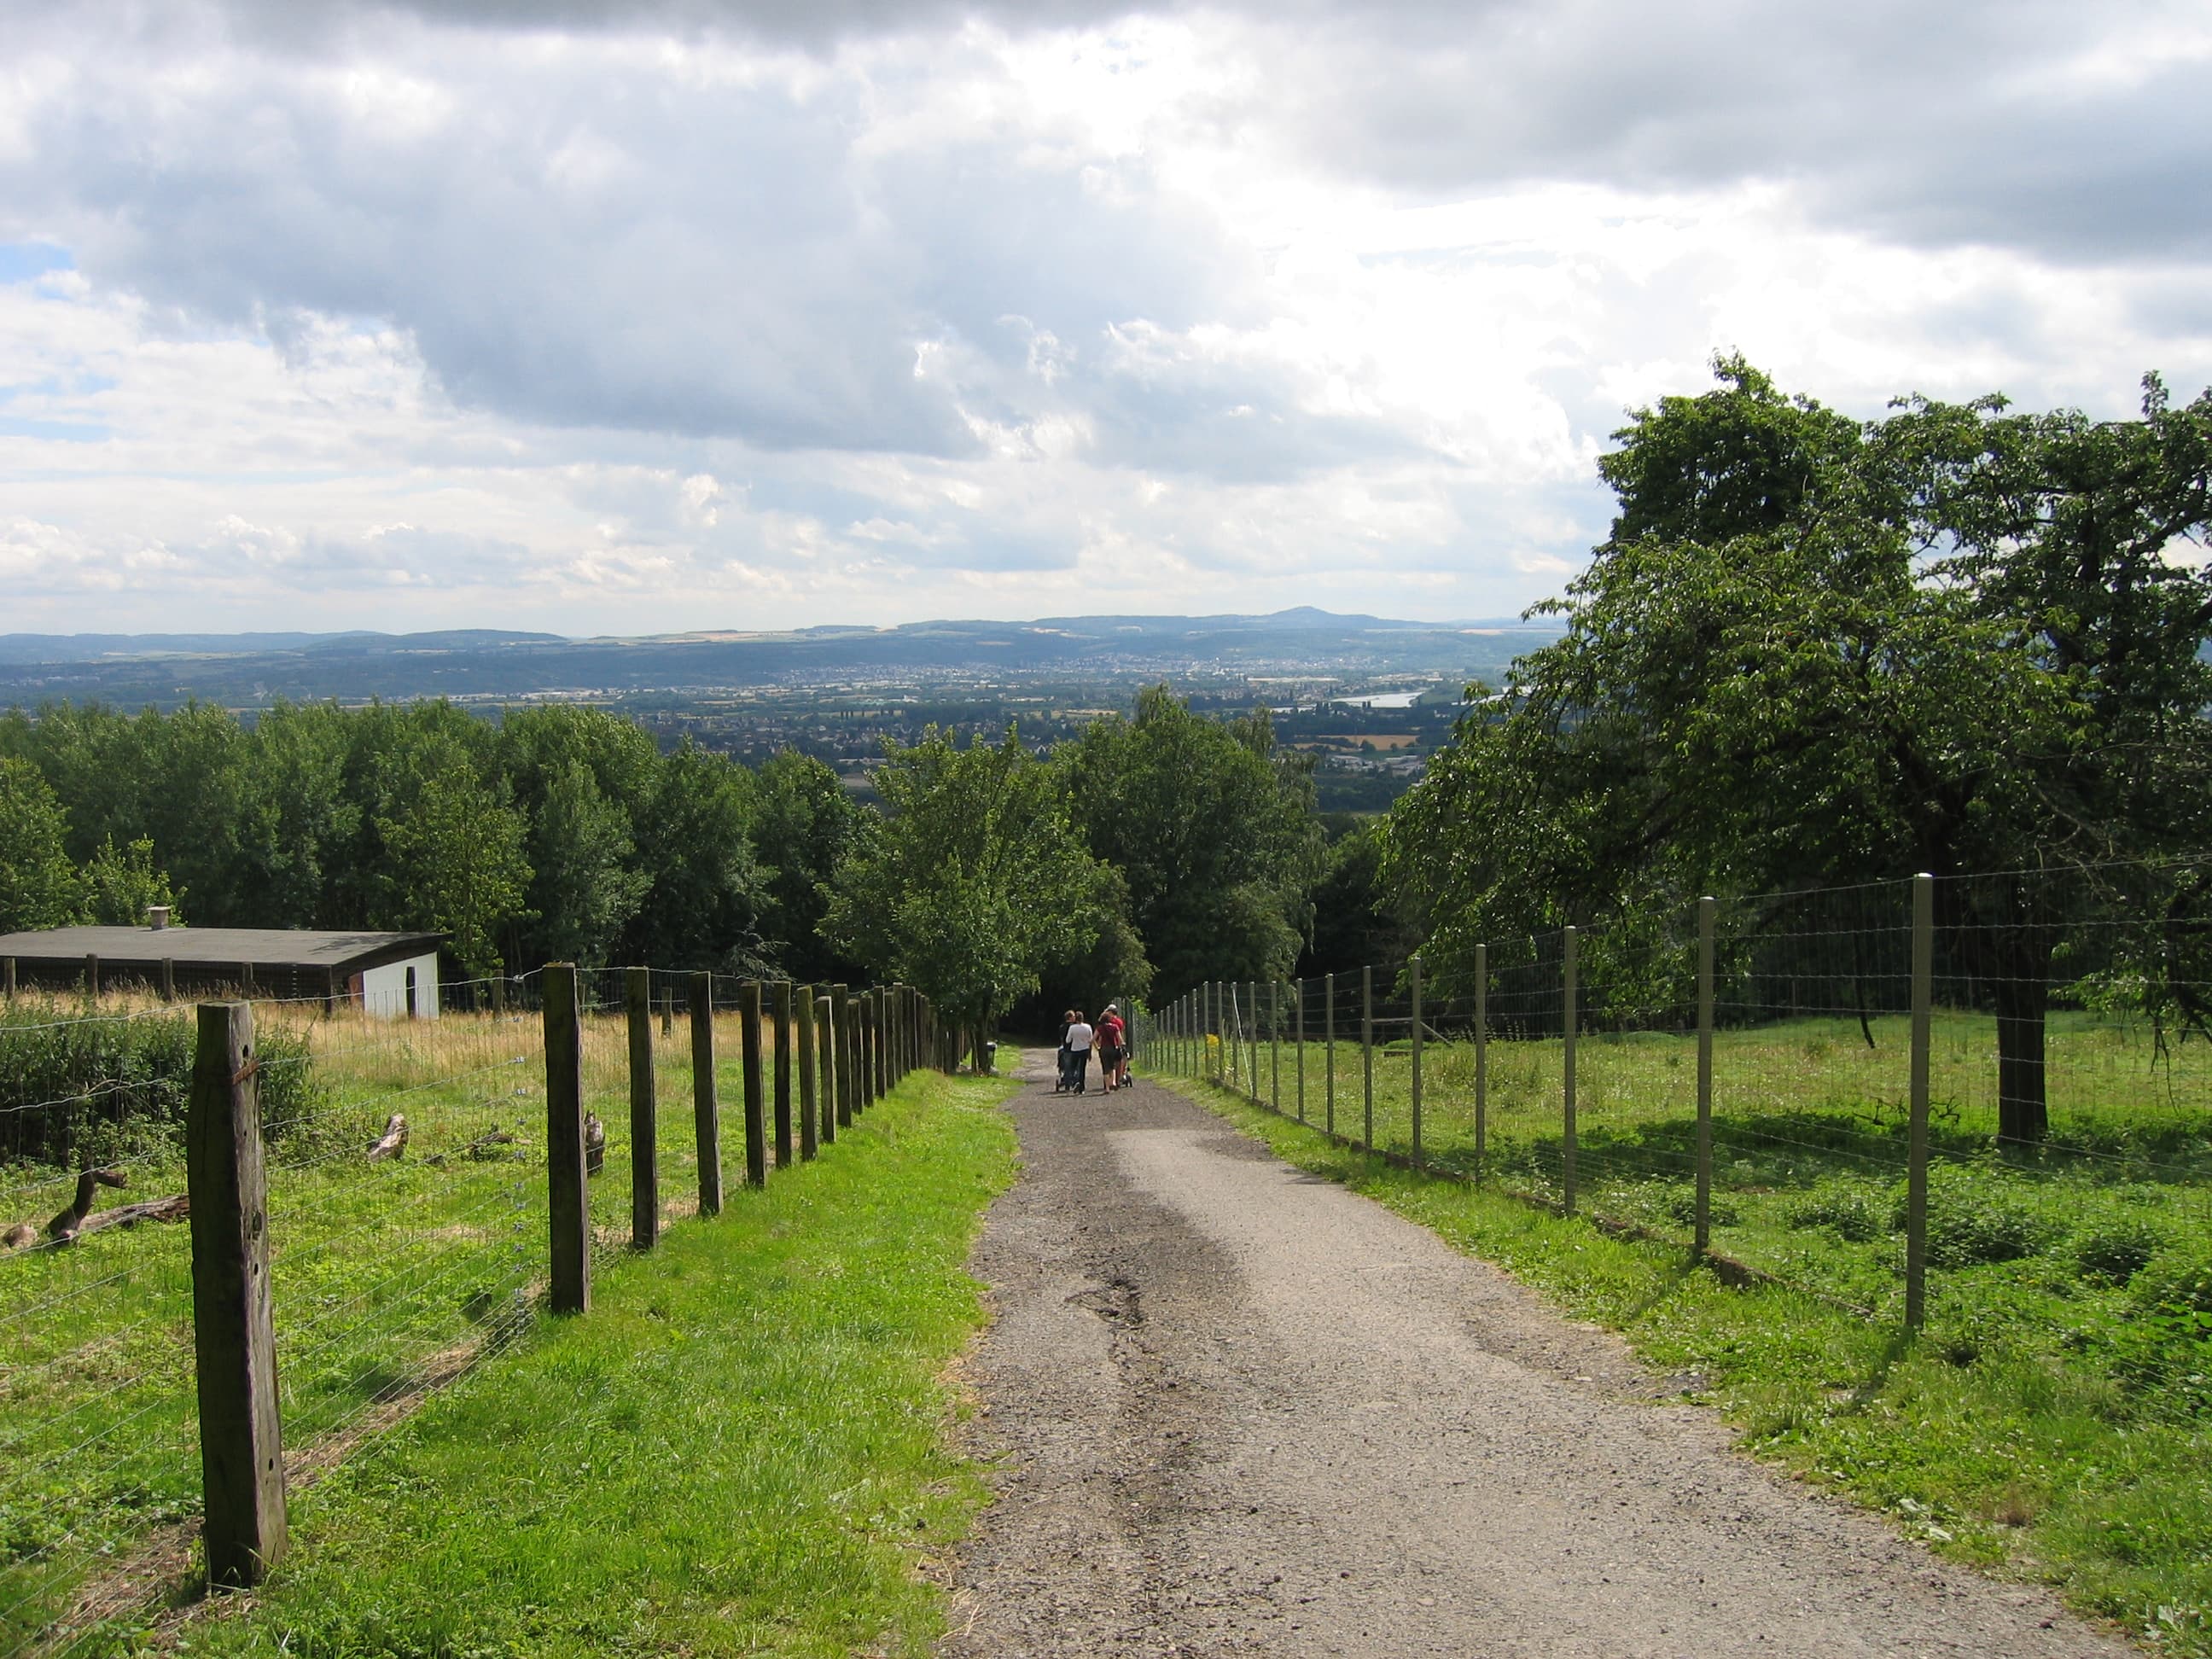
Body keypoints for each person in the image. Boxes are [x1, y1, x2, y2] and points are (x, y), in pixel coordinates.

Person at [1096, 1002, 1127, 1091]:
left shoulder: (1108, 1022)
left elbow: (1100, 1029)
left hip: (1108, 1046)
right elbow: (1120, 1033)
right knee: (1116, 1065)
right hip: (1116, 1046)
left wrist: (1097, 1044)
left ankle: (1107, 1085)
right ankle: (1116, 1082)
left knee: (1107, 1066)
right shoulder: (1120, 1022)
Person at [1064, 1010, 1095, 1093]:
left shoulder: (1072, 1028)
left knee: (1072, 1068)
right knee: (1082, 1069)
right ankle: (1082, 1088)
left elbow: (1068, 1040)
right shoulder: (1088, 1027)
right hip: (1085, 1049)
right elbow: (1091, 1040)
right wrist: (1090, 1052)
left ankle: (1075, 1082)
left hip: (1075, 1049)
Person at [1055, 1009, 1078, 1094]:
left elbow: (1062, 1038)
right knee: (1075, 1067)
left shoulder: (1062, 1027)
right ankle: (1075, 1082)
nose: (1075, 1018)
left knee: (1067, 1067)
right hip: (1074, 1048)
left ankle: (1067, 1085)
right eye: (1074, 1016)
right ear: (1070, 1017)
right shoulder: (1073, 1027)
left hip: (1065, 1048)